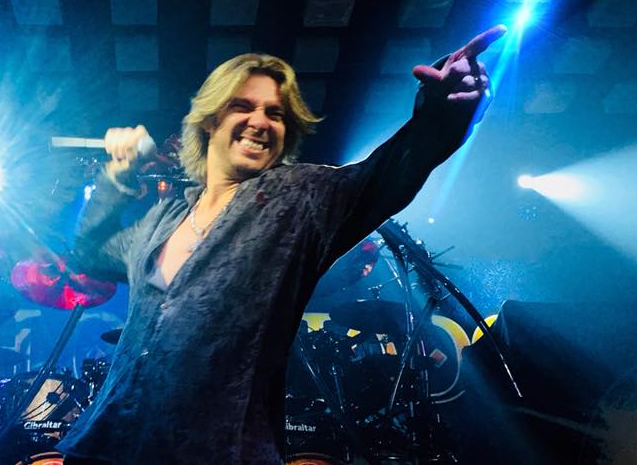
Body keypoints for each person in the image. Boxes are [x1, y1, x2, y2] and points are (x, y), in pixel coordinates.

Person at [55, 26, 506, 464]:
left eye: (275, 114)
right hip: (106, 445)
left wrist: (444, 113)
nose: (259, 122)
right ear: (210, 120)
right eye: (242, 106)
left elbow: (387, 174)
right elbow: (89, 253)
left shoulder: (299, 198)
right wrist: (116, 177)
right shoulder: (163, 219)